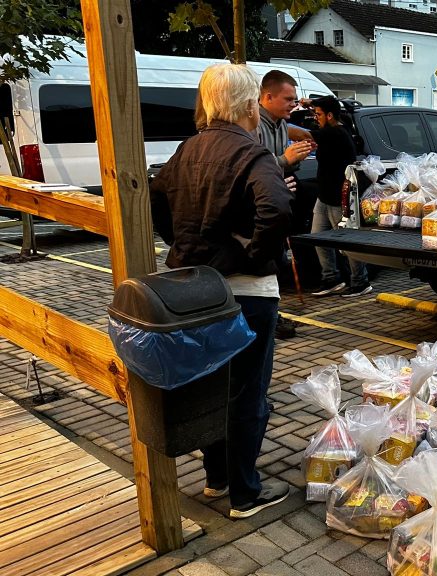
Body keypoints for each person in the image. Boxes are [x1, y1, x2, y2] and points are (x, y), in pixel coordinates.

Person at [150, 63, 294, 519]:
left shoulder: (185, 150)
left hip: (195, 291)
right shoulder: (251, 153)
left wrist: (183, 244)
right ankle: (245, 493)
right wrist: (250, 254)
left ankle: (217, 479)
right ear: (250, 104)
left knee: (211, 384)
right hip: (247, 290)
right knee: (248, 393)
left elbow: (155, 198)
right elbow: (277, 210)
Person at [257, 70, 314, 339]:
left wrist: (295, 158)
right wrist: (284, 160)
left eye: (295, 99)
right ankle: (268, 318)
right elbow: (254, 168)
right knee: (266, 261)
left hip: (278, 201)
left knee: (277, 260)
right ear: (267, 97)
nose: (294, 104)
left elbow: (283, 163)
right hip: (259, 207)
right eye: (288, 99)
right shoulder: (252, 123)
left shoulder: (281, 123)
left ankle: (272, 314)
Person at [303, 96, 372, 298]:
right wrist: (311, 104)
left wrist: (278, 120)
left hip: (338, 197)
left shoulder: (335, 133)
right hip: (323, 196)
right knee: (318, 238)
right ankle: (331, 279)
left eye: (318, 114)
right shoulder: (331, 129)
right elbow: (328, 102)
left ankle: (360, 282)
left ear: (330, 115)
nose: (315, 118)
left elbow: (301, 134)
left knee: (346, 242)